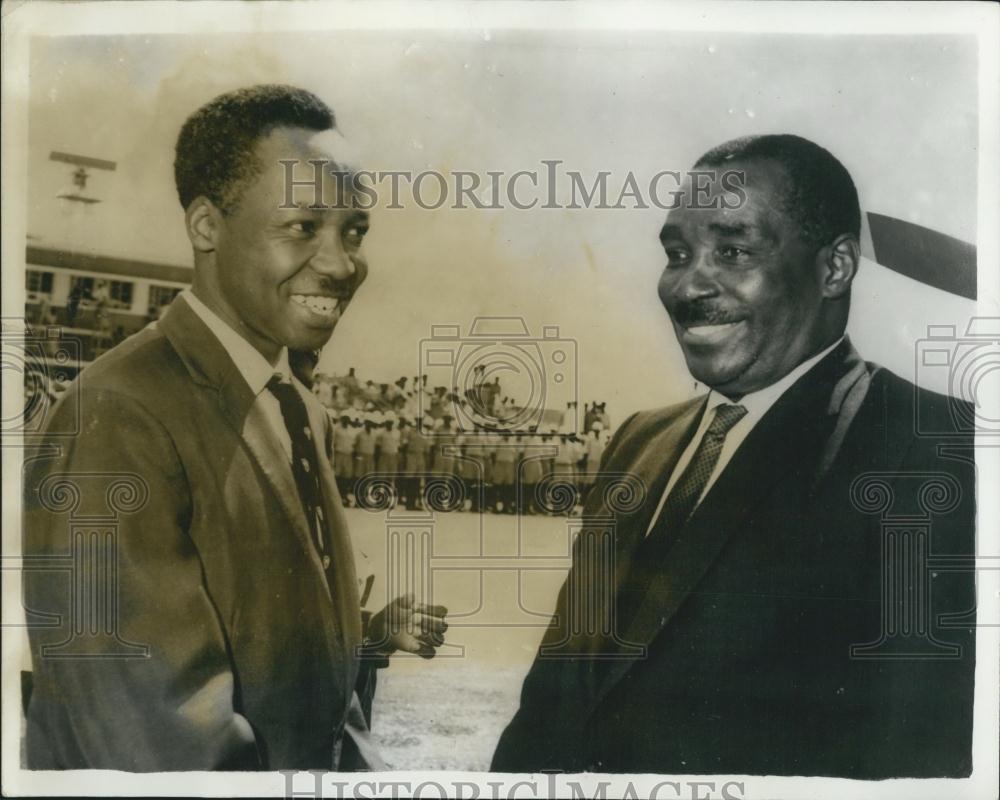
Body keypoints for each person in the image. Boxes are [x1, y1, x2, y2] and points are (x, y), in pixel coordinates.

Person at [493, 134, 976, 778]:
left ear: (834, 267)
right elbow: (555, 699)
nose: (689, 285)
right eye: (677, 253)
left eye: (733, 250)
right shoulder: (640, 442)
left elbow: (919, 749)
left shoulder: (930, 444)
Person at [23, 85, 446, 771]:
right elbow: (159, 744)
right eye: (303, 227)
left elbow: (317, 694)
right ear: (206, 227)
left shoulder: (298, 408)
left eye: (354, 231)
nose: (342, 264)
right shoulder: (117, 414)